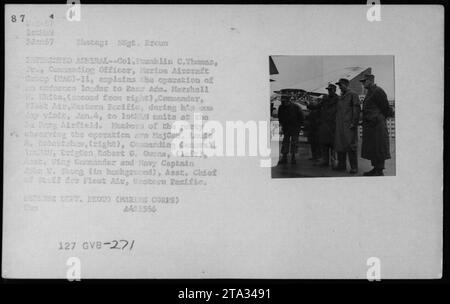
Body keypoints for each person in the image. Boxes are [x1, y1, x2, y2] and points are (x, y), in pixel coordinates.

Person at [360, 74, 391, 176]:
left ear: (370, 80)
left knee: (379, 147)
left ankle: (379, 170)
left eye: (364, 81)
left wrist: (378, 118)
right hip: (371, 125)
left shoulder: (378, 91)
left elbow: (386, 108)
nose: (363, 83)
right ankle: (376, 168)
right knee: (373, 147)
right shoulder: (370, 92)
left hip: (377, 125)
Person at [333, 78, 361, 174]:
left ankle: (354, 167)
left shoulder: (353, 94)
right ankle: (342, 165)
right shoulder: (342, 96)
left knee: (351, 146)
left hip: (349, 125)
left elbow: (356, 109)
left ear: (346, 84)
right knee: (340, 145)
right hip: (340, 125)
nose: (339, 87)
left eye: (340, 85)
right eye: (339, 86)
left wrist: (354, 122)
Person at [277, 94, 304, 164]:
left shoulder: (296, 107)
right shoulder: (281, 107)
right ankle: (284, 157)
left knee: (294, 142)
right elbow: (280, 117)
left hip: (295, 127)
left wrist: (298, 126)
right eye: (282, 101)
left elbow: (301, 117)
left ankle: (293, 157)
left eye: (285, 101)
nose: (283, 102)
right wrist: (282, 125)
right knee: (285, 142)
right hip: (286, 127)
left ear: (288, 100)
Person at [316, 84, 338, 167]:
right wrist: (309, 105)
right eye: (328, 90)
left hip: (333, 124)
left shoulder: (338, 99)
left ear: (334, 90)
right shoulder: (325, 98)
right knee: (324, 143)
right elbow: (318, 106)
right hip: (325, 124)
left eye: (331, 90)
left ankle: (333, 161)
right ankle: (325, 161)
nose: (329, 91)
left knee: (333, 144)